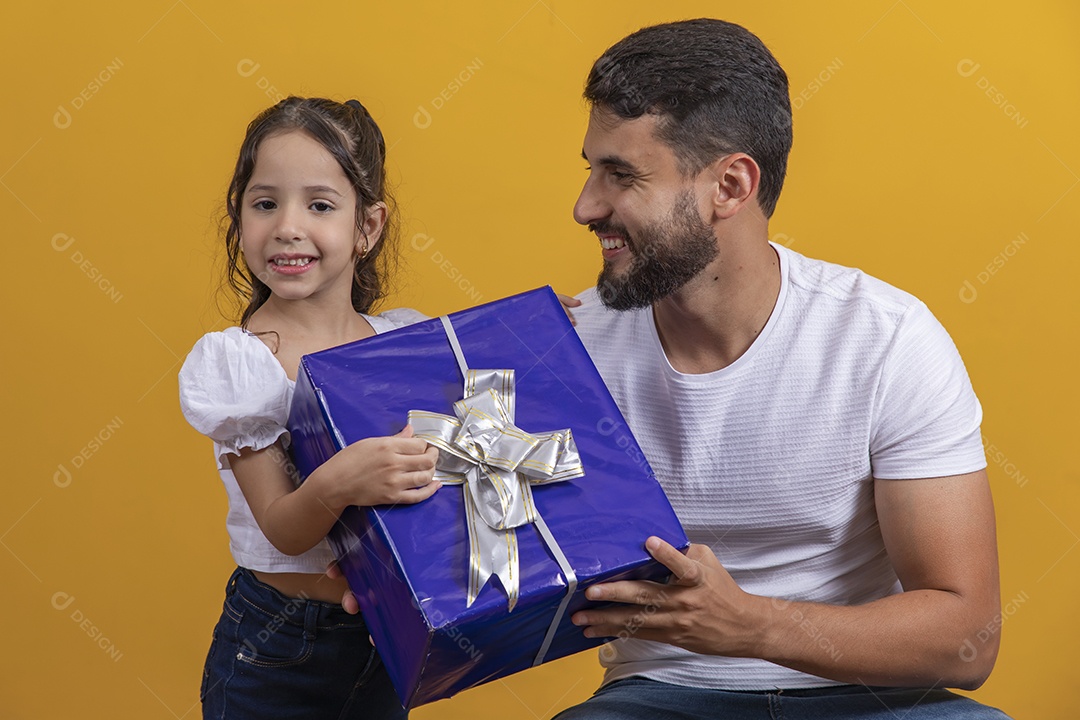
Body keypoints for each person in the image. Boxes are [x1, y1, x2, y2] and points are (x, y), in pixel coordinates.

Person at [555, 19, 1011, 720]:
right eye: (591, 169)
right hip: (656, 698)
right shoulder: (570, 348)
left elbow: (966, 640)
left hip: (870, 700)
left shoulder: (885, 340)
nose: (586, 205)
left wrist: (752, 626)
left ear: (730, 185)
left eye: (622, 176)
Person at [178, 96, 441, 720]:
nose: (288, 226)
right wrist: (341, 481)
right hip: (275, 647)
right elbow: (285, 528)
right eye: (265, 203)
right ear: (239, 219)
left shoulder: (402, 340)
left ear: (367, 228)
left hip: (384, 635)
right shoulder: (239, 364)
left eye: (319, 205)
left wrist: (530, 338)